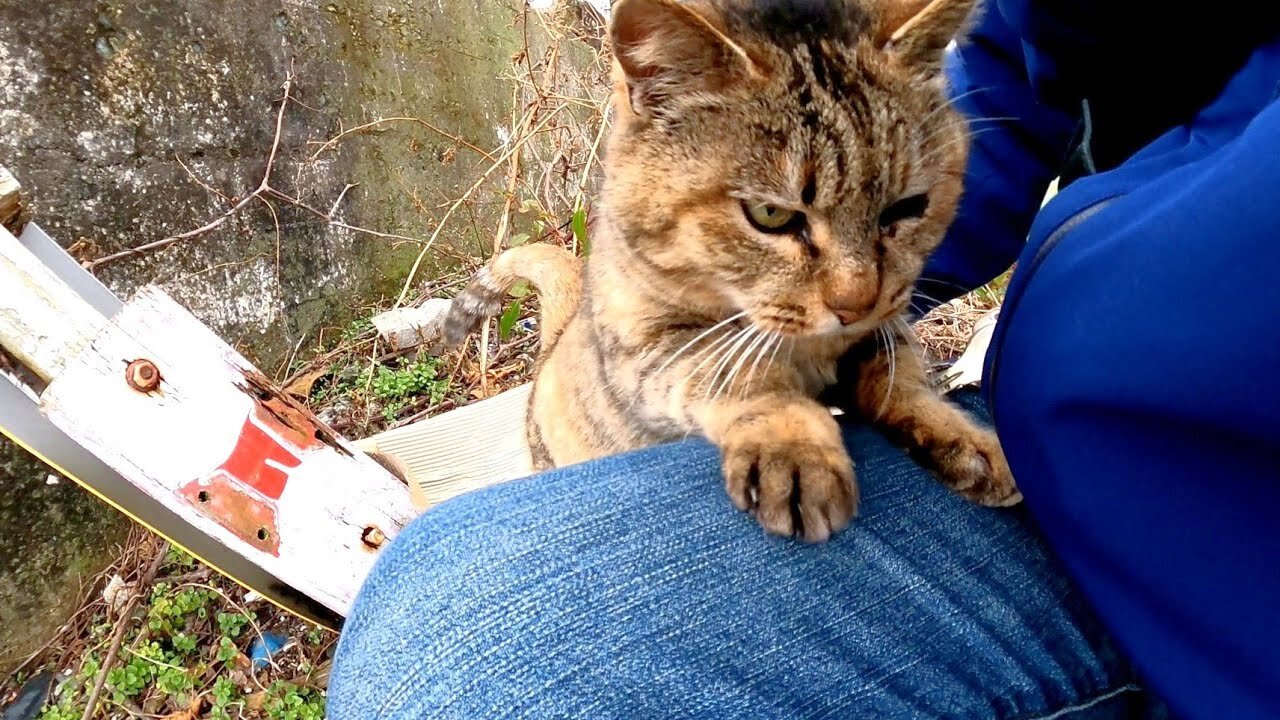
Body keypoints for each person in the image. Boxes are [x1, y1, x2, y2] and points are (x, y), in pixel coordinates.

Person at [329, 3, 1280, 718]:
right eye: (780, 218)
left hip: (1217, 545)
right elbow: (1023, 73)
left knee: (459, 669)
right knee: (438, 592)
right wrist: (758, 402)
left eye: (900, 214)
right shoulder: (676, 227)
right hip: (615, 436)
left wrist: (887, 353)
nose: (855, 292)